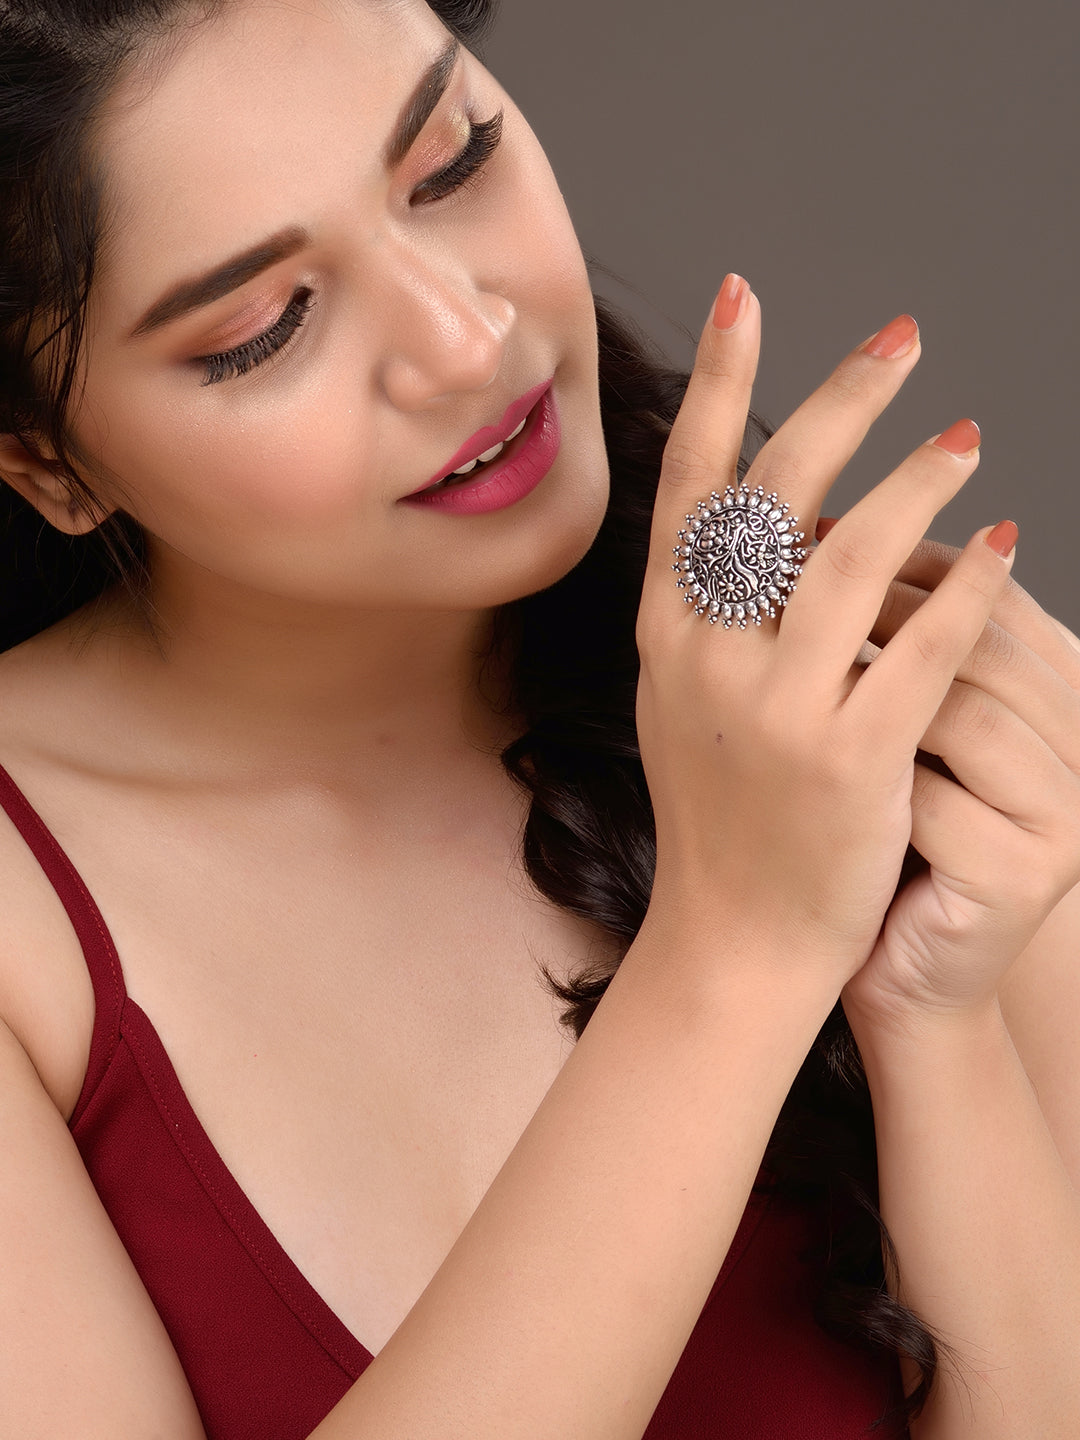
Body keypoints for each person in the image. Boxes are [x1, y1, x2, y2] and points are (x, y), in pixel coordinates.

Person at [1, 1, 1078, 1437]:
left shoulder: (837, 708)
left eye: (452, 165)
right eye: (265, 330)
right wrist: (741, 946)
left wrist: (931, 1015)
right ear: (48, 464)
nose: (467, 340)